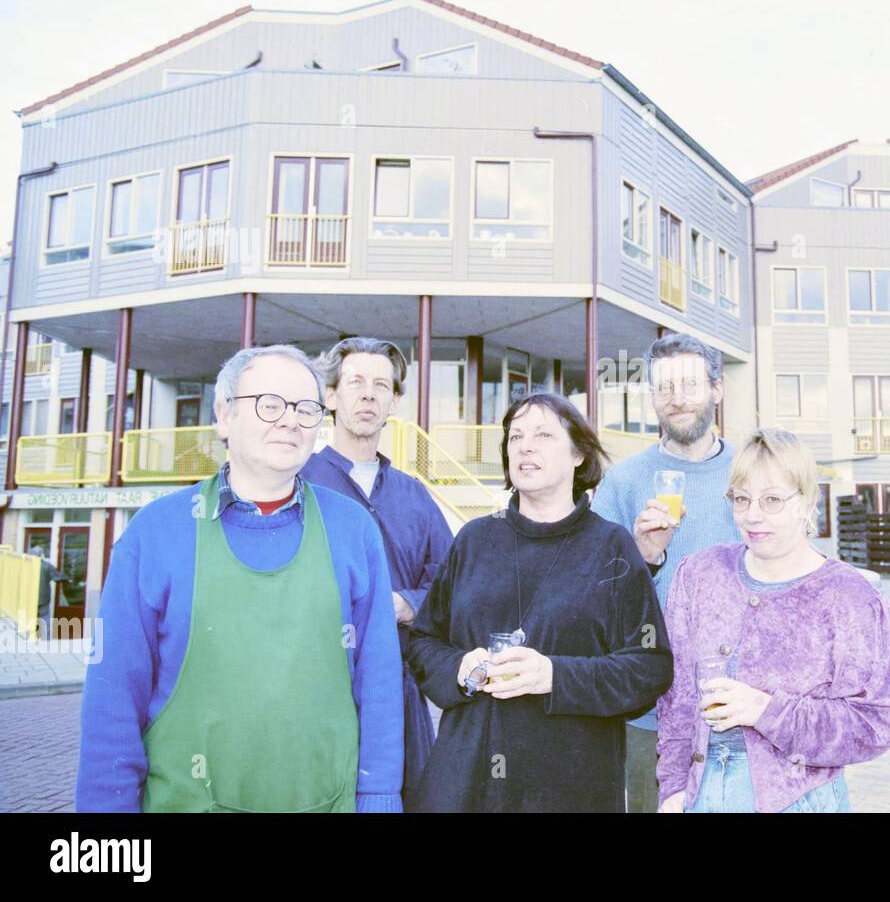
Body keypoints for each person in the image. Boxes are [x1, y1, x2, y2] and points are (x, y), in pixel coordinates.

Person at [76, 344, 404, 812]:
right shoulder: (156, 533)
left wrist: (379, 797)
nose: (290, 420)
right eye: (270, 404)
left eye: (307, 409)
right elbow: (112, 703)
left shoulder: (354, 530)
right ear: (224, 416)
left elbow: (379, 685)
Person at [407, 392, 673, 812]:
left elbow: (649, 668)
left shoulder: (611, 547)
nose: (525, 446)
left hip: (570, 783)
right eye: (515, 436)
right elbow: (423, 642)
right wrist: (459, 669)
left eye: (543, 435)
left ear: (579, 455)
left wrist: (554, 675)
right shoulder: (475, 539)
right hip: (466, 780)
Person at [656, 428, 890, 813]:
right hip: (698, 793)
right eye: (741, 499)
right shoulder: (700, 574)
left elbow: (874, 725)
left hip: (801, 799)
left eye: (772, 500)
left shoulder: (852, 599)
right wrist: (672, 787)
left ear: (807, 502)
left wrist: (767, 711)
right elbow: (677, 697)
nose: (753, 515)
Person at [591, 332, 741, 812]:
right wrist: (644, 556)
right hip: (651, 710)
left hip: (747, 700)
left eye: (690, 385)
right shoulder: (623, 482)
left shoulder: (751, 472)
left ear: (717, 391)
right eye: (664, 387)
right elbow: (593, 596)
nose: (677, 399)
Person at [300, 336, 453, 807]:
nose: (368, 394)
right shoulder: (298, 482)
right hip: (313, 690)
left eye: (381, 385)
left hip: (399, 699)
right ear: (330, 396)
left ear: (394, 401)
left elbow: (454, 582)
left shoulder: (414, 495)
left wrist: (408, 604)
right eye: (356, 382)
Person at [29, 544, 63, 640]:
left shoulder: (27, 566)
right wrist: (69, 579)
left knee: (29, 621)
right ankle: (45, 642)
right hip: (43, 599)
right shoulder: (46, 566)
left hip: (29, 599)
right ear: (41, 555)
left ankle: (30, 639)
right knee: (44, 621)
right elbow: (58, 577)